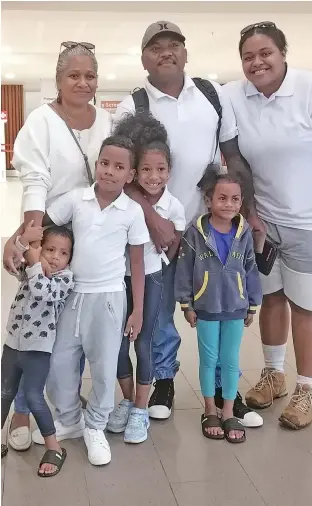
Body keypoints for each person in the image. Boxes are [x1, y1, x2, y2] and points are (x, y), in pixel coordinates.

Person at [114, 20, 264, 426]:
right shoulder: (134, 105)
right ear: (144, 57)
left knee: (220, 312)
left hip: (209, 229)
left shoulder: (211, 96)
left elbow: (232, 157)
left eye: (173, 45)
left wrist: (246, 211)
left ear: (185, 52)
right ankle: (164, 379)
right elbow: (122, 173)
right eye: (156, 46)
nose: (166, 51)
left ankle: (223, 394)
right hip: (155, 234)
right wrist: (156, 222)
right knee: (161, 312)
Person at [222, 21, 312, 429]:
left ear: (283, 54)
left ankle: (306, 388)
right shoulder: (232, 95)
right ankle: (273, 374)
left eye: (266, 53)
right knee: (272, 299)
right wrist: (251, 211)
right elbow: (234, 158)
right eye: (248, 56)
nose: (257, 62)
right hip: (265, 221)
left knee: (306, 306)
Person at [2, 41, 112, 450]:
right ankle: (20, 410)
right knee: (38, 322)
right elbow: (35, 181)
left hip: (96, 239)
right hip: (52, 238)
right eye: (74, 75)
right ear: (58, 80)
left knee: (77, 325)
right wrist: (27, 239)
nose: (83, 83)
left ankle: (66, 401)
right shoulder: (41, 121)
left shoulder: (107, 123)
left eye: (90, 76)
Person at [32, 135, 150, 466]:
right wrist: (22, 245)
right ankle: (70, 418)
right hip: (70, 294)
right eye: (104, 163)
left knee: (103, 365)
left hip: (109, 299)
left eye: (119, 166)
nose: (109, 171)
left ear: (130, 174)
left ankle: (96, 425)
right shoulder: (75, 199)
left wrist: (137, 309)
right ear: (96, 164)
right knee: (59, 362)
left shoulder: (132, 211)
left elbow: (137, 264)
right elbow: (41, 225)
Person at [107, 112, 186, 443]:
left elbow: (172, 253)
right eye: (146, 170)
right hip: (115, 280)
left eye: (162, 170)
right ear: (134, 172)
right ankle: (126, 400)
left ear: (170, 171)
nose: (154, 177)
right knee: (116, 344)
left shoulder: (175, 207)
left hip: (151, 280)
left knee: (144, 340)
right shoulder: (122, 201)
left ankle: (141, 407)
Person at [175, 165, 262, 442]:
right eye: (222, 198)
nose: (228, 204)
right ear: (209, 200)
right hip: (207, 309)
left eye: (235, 199)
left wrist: (251, 304)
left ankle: (228, 411)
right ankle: (209, 409)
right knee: (209, 359)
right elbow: (184, 270)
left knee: (230, 359)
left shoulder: (244, 233)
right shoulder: (195, 234)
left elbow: (251, 269)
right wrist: (186, 305)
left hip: (235, 308)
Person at [2, 224, 74, 477]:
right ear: (40, 249)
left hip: (38, 350)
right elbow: (11, 264)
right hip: (12, 344)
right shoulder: (30, 269)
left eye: (63, 253)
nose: (55, 257)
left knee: (33, 397)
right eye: (50, 249)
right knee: (4, 394)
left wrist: (35, 261)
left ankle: (54, 447)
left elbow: (42, 291)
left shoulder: (64, 279)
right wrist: (23, 243)